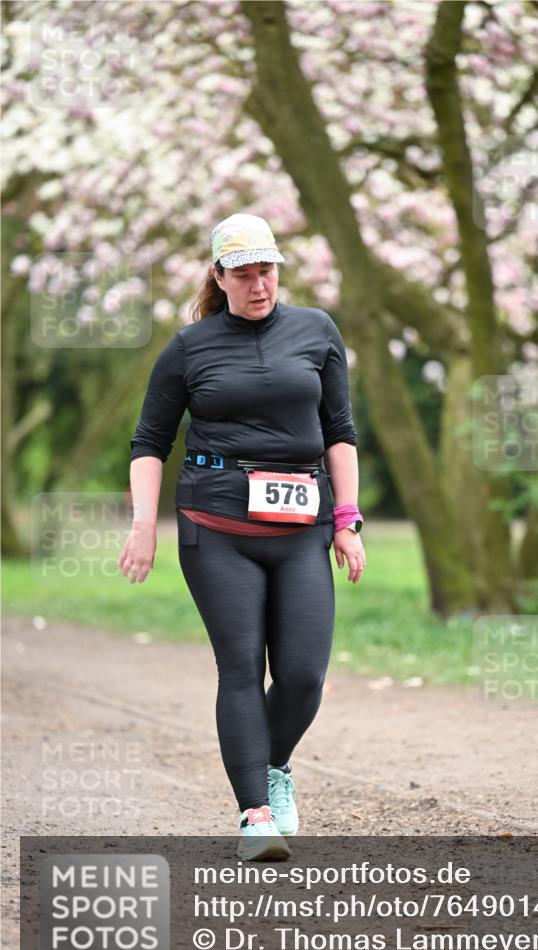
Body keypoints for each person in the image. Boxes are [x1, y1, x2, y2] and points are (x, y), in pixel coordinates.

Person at [118, 213, 365, 861]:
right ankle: (254, 813)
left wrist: (347, 520)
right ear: (218, 276)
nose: (259, 285)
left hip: (300, 527)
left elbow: (339, 431)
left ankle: (273, 765)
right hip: (215, 526)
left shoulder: (316, 331)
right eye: (245, 274)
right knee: (239, 667)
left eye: (268, 271)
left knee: (304, 674)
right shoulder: (188, 348)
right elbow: (149, 444)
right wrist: (144, 524)